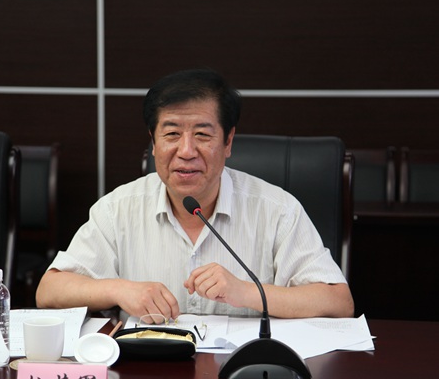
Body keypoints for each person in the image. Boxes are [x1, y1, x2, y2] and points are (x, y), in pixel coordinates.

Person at [36, 68, 354, 323]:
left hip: (245, 372)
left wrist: (247, 292)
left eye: (202, 134)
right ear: (153, 143)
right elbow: (49, 291)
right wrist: (119, 290)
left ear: (228, 142)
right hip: (148, 374)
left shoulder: (276, 209)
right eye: (172, 134)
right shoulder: (118, 208)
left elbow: (339, 302)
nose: (186, 151)